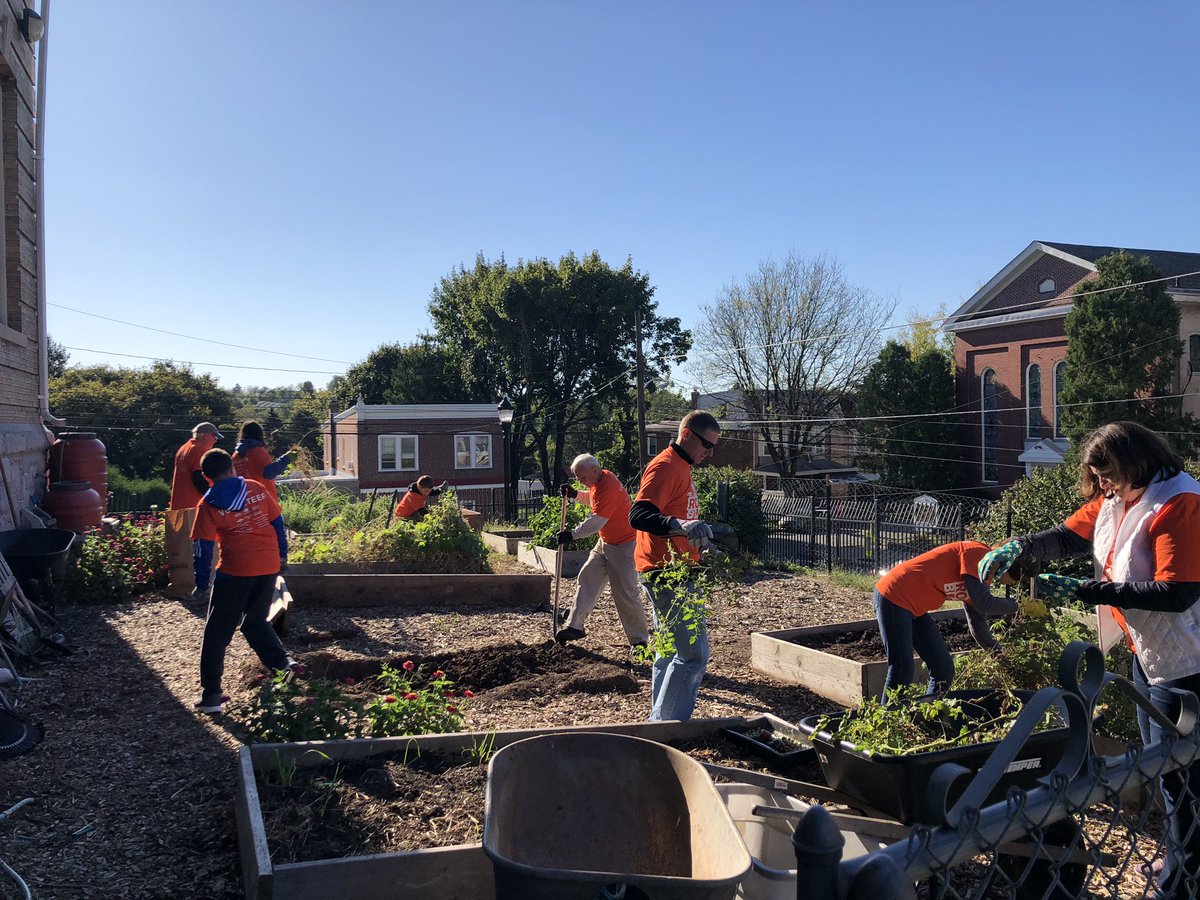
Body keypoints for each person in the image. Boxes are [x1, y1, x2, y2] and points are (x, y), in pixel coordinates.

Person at [982, 422, 1200, 899]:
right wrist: (1022, 546)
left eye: (1108, 473)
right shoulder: (1115, 499)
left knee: (1184, 775)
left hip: (1188, 659)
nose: (1102, 484)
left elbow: (1178, 592)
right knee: (1162, 769)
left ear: (1136, 460)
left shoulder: (1179, 501)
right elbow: (1066, 536)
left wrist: (1086, 590)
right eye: (1097, 476)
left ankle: (1182, 882)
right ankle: (1184, 854)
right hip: (1151, 652)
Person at [629, 410, 720, 722]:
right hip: (666, 573)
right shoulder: (666, 467)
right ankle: (667, 727)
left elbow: (681, 519)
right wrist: (680, 524)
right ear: (687, 435)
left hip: (672, 568)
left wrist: (699, 542)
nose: (710, 453)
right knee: (693, 655)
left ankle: (659, 722)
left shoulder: (682, 468)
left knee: (668, 651)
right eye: (707, 445)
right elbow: (638, 514)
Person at [190, 448, 293, 714]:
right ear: (232, 468)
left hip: (235, 570)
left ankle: (211, 695)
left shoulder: (208, 503)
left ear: (206, 476)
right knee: (255, 621)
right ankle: (284, 666)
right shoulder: (255, 487)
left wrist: (202, 583)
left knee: (217, 633)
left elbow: (202, 548)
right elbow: (277, 522)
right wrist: (282, 555)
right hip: (267, 564)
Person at [874, 540, 1034, 702]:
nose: (1015, 584)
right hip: (894, 596)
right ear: (1007, 566)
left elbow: (977, 625)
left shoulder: (981, 579)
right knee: (902, 668)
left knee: (943, 669)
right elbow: (985, 603)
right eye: (1016, 579)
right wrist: (1021, 606)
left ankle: (930, 716)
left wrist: (1000, 656)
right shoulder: (978, 554)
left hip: (915, 608)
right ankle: (888, 718)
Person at [554, 454, 650, 652]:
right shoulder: (600, 480)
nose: (581, 482)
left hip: (625, 546)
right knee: (588, 577)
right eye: (579, 480)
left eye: (582, 478)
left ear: (594, 470)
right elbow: (593, 499)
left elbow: (596, 521)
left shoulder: (609, 487)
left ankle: (640, 641)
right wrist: (575, 494)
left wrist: (571, 535)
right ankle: (575, 626)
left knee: (625, 593)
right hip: (606, 542)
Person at [165, 422, 222, 600]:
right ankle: (200, 587)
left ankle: (182, 585)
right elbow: (198, 478)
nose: (215, 441)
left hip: (179, 505)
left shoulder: (183, 449)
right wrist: (214, 497)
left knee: (184, 549)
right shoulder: (198, 450)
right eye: (214, 437)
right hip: (193, 505)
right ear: (205, 435)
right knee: (200, 549)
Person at [232, 421, 294, 503]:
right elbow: (269, 473)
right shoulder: (258, 451)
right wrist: (286, 458)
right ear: (260, 435)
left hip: (244, 502)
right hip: (264, 500)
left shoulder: (235, 456)